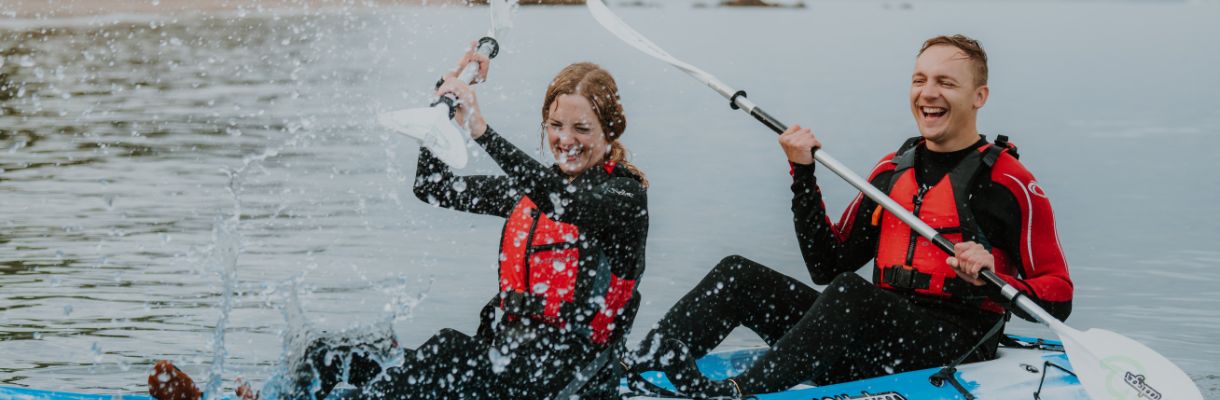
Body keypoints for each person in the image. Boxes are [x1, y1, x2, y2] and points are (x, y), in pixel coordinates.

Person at [149, 47, 649, 400]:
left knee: (449, 351)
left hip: (570, 381)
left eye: (582, 128)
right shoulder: (529, 196)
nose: (567, 140)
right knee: (332, 353)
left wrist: (480, 130)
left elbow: (563, 203)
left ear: (610, 131)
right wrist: (441, 114)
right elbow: (434, 188)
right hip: (506, 364)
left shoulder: (624, 200)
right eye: (556, 127)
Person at [624, 34, 1073, 398]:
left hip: (951, 345)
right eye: (919, 80)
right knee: (737, 275)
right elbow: (827, 264)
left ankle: (739, 393)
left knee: (850, 295)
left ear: (980, 96)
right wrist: (802, 173)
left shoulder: (1010, 183)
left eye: (946, 83)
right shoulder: (891, 171)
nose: (928, 93)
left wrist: (998, 275)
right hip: (869, 335)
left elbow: (1059, 296)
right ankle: (634, 368)